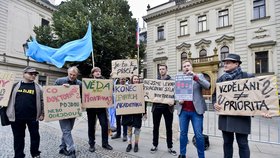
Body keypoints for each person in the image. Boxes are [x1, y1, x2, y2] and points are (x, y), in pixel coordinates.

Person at [212, 53, 271, 158]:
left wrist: (266, 110)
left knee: (243, 144)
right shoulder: (220, 80)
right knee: (227, 143)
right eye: (224, 63)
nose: (225, 65)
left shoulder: (247, 77)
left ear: (237, 64)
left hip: (241, 118)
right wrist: (215, 103)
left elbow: (260, 96)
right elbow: (214, 96)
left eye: (228, 63)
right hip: (225, 118)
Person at [6, 67, 44, 158]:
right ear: (24, 74)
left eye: (35, 74)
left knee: (35, 137)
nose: (33, 75)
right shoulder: (14, 86)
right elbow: (5, 95)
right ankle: (19, 155)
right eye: (31, 73)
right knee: (18, 138)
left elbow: (43, 101)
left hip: (33, 117)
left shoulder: (39, 87)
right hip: (16, 117)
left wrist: (42, 113)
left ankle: (35, 153)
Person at [177, 60, 210, 158]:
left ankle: (201, 156)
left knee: (199, 135)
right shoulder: (179, 78)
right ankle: (182, 154)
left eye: (188, 65)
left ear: (191, 67)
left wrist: (195, 77)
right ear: (182, 68)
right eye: (184, 66)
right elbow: (175, 93)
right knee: (183, 134)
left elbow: (207, 86)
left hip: (196, 112)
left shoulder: (198, 76)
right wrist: (178, 99)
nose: (186, 67)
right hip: (183, 111)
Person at [55, 66, 82, 158]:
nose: (72, 76)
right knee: (66, 130)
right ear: (68, 73)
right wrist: (61, 89)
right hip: (61, 110)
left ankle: (62, 147)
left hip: (73, 111)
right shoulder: (59, 81)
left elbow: (83, 95)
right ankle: (72, 149)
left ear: (77, 75)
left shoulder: (79, 84)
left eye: (74, 75)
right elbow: (51, 94)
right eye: (70, 74)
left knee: (68, 130)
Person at [150, 64, 177, 156]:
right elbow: (151, 93)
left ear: (166, 70)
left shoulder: (172, 81)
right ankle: (155, 145)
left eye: (163, 69)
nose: (161, 70)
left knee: (169, 128)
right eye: (160, 69)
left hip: (168, 108)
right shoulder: (155, 81)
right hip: (156, 107)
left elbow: (176, 94)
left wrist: (174, 101)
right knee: (155, 127)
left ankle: (170, 147)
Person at [87, 67, 113, 152]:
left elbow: (110, 90)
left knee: (104, 125)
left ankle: (105, 143)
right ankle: (91, 144)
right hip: (91, 108)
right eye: (96, 71)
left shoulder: (105, 81)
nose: (98, 72)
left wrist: (111, 78)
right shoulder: (88, 82)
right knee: (91, 126)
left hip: (101, 108)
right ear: (93, 73)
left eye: (99, 71)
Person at [122, 75, 147, 153]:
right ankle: (129, 144)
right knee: (129, 129)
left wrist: (145, 112)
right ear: (132, 80)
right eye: (135, 79)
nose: (136, 80)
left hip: (137, 112)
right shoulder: (126, 88)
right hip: (128, 112)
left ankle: (136, 144)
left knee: (137, 129)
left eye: (137, 79)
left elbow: (144, 101)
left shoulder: (141, 89)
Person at [111, 77, 128, 141]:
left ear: (125, 80)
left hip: (125, 107)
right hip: (117, 107)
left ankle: (125, 135)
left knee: (124, 121)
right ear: (119, 80)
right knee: (118, 121)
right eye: (121, 79)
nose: (122, 80)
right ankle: (118, 133)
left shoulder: (128, 87)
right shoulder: (116, 87)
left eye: (123, 79)